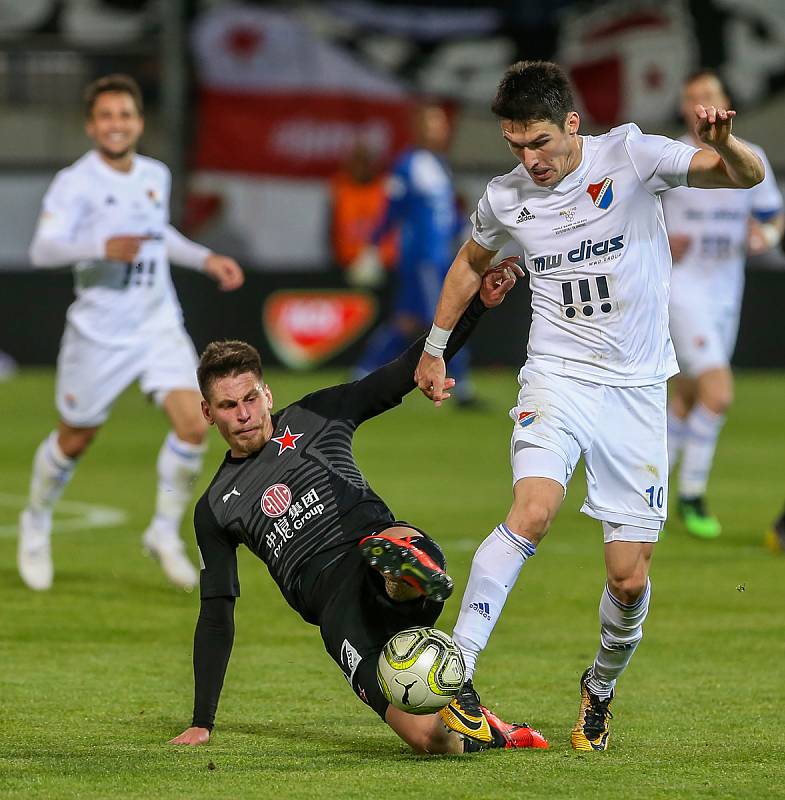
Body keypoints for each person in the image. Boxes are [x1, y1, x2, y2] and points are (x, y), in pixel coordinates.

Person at [413, 60, 765, 751]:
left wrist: (723, 143)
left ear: (573, 125)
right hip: (558, 375)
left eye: (540, 142)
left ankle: (598, 690)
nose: (529, 160)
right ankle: (457, 677)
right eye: (516, 146)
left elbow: (745, 178)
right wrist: (434, 348)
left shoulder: (632, 156)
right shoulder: (507, 197)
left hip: (636, 390)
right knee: (533, 511)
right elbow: (468, 263)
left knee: (628, 581)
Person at [167, 263, 548, 755]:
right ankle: (484, 721)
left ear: (267, 394)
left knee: (389, 552)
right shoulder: (216, 506)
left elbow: (405, 371)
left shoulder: (317, 414)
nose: (242, 414)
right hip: (335, 613)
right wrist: (203, 721)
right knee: (431, 744)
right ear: (207, 413)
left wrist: (477, 307)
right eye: (226, 406)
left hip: (372, 546)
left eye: (249, 399)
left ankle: (403, 581)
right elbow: (217, 613)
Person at [18, 74, 245, 592]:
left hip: (157, 322)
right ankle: (36, 519)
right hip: (100, 332)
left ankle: (163, 531)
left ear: (139, 122)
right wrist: (100, 244)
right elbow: (42, 249)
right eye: (106, 116)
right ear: (91, 125)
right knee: (76, 436)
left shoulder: (154, 174)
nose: (116, 124)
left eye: (125, 115)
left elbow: (156, 235)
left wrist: (205, 257)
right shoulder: (75, 182)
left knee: (194, 424)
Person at [663, 70, 784, 539]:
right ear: (683, 108)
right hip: (682, 290)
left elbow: (772, 214)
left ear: (725, 101)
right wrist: (657, 241)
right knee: (718, 392)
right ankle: (691, 494)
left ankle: (650, 483)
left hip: (725, 292)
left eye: (708, 95)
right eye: (693, 97)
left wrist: (766, 236)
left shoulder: (752, 159)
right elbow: (634, 218)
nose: (701, 103)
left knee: (688, 396)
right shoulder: (671, 158)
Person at [352, 103, 476, 404]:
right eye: (434, 123)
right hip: (422, 259)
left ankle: (361, 373)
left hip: (440, 257)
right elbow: (392, 210)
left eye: (442, 123)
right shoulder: (407, 165)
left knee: (406, 322)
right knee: (447, 316)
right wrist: (372, 245)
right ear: (419, 128)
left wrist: (471, 237)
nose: (441, 129)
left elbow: (448, 212)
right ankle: (462, 390)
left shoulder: (438, 164)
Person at [331, 140, 398, 282]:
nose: (361, 166)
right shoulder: (340, 190)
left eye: (365, 161)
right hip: (346, 267)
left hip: (384, 268)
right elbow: (332, 231)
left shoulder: (386, 189)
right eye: (357, 160)